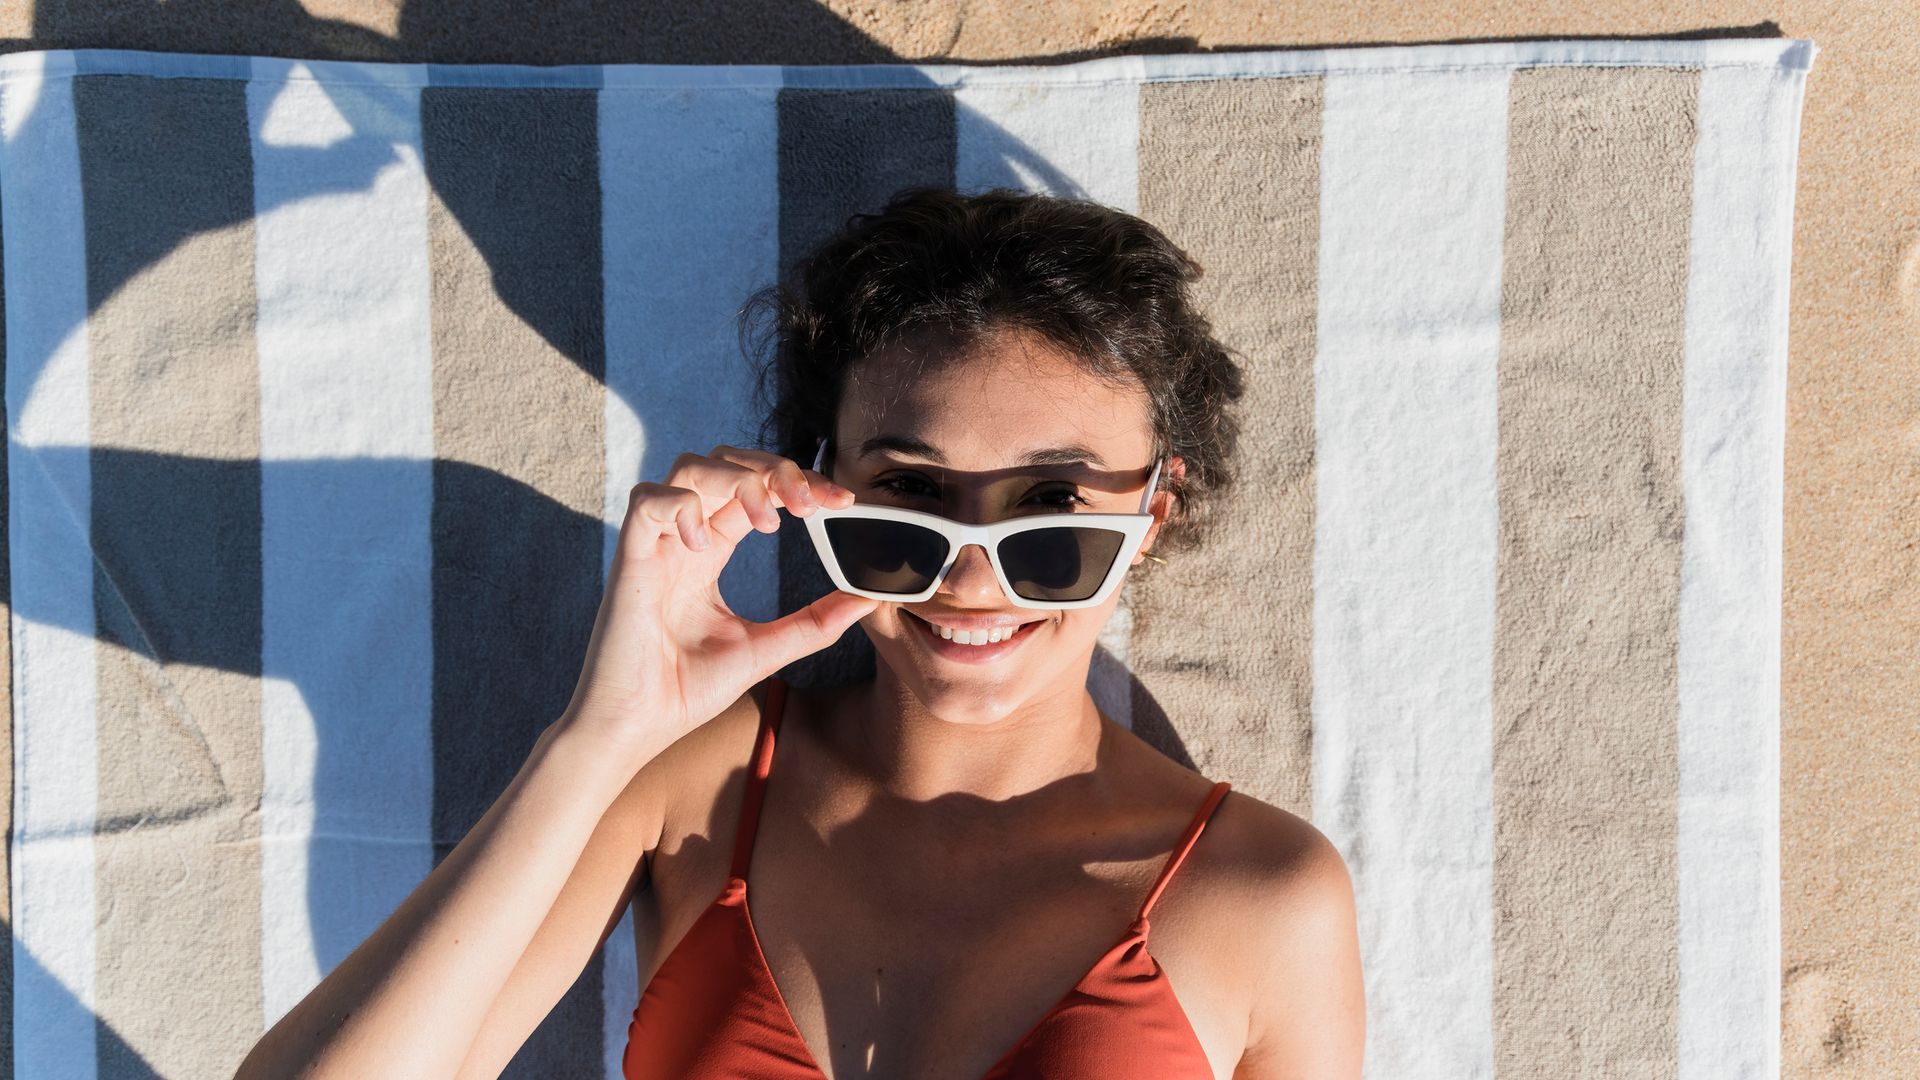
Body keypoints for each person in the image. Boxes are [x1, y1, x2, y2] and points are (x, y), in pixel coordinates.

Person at [234, 187, 1365, 1080]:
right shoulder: (688, 783)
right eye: (908, 500)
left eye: (1052, 511)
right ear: (820, 490)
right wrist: (599, 736)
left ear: (1153, 513)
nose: (971, 576)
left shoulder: (1262, 894)